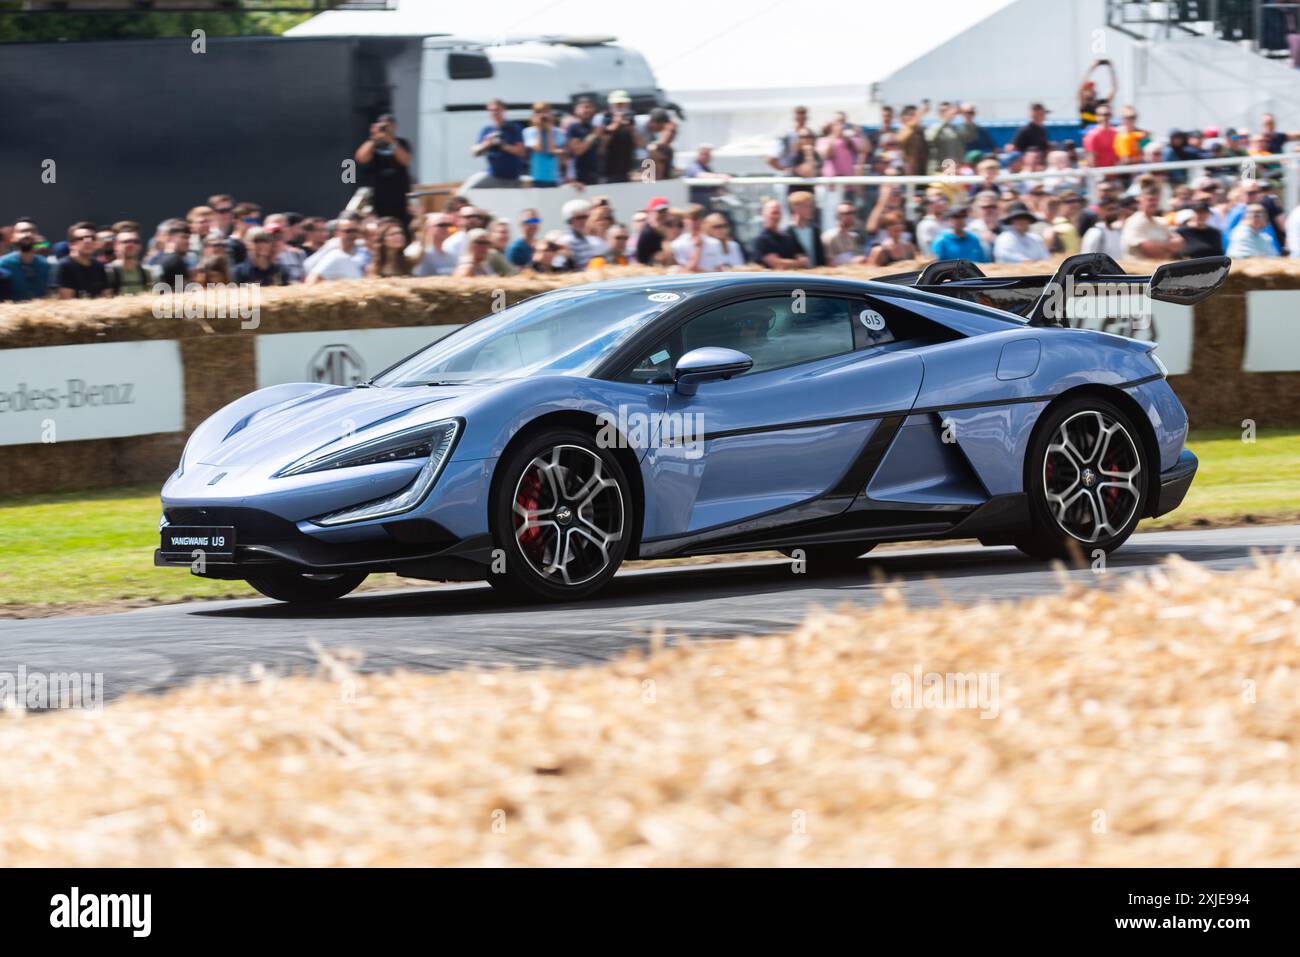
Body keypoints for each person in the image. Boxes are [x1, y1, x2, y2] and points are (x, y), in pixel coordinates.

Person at [354, 113, 413, 223]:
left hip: (399, 195)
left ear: (394, 126)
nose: (385, 129)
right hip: (379, 196)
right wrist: (374, 138)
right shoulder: (372, 144)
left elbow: (405, 160)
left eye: (388, 126)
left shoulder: (402, 143)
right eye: (382, 126)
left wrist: (390, 141)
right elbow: (361, 158)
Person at [469, 98, 526, 188]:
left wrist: (503, 146)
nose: (494, 113)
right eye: (491, 110)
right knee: (471, 190)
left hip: (511, 178)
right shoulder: (486, 130)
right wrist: (487, 144)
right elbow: (474, 152)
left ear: (503, 110)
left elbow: (521, 151)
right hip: (493, 175)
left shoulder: (513, 128)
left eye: (497, 110)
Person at [1121, 189, 1183, 259]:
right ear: (1140, 201)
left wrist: (1157, 245)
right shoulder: (1134, 221)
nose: (1154, 203)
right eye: (1150, 199)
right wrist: (1169, 247)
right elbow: (1151, 252)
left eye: (1156, 200)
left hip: (1161, 266)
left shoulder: (1161, 221)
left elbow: (1179, 243)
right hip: (1139, 268)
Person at [0, 217, 52, 300]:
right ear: (13, 237)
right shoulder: (3, 264)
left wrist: (43, 245)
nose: (28, 234)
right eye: (23, 231)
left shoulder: (45, 265)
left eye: (32, 231)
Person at [55, 222, 110, 298]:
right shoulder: (64, 266)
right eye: (82, 238)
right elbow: (66, 302)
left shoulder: (99, 266)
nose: (88, 241)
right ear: (71, 245)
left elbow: (106, 297)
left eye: (92, 238)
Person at [597, 90, 640, 183]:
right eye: (618, 104)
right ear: (611, 105)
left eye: (623, 104)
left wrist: (630, 128)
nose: (620, 106)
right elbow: (601, 148)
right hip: (607, 171)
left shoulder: (631, 120)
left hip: (626, 170)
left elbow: (639, 144)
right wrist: (615, 125)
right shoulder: (603, 119)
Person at [752, 198, 807, 268]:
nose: (776, 216)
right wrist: (797, 263)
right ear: (764, 214)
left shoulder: (789, 238)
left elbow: (804, 260)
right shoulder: (761, 240)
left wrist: (786, 263)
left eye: (778, 213)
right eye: (773, 213)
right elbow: (777, 264)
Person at [925, 101, 975, 174]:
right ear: (939, 113)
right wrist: (945, 120)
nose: (948, 112)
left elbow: (970, 137)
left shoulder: (957, 128)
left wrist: (967, 118)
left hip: (957, 169)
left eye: (949, 110)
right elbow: (930, 138)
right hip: (939, 170)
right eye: (944, 110)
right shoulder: (933, 127)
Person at [522, 102, 565, 187]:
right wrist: (539, 129)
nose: (542, 115)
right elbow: (538, 148)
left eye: (545, 112)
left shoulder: (558, 132)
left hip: (554, 177)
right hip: (535, 177)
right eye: (538, 112)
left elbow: (551, 150)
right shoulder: (528, 131)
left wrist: (549, 129)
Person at [104, 229, 155, 295]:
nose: (131, 245)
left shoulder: (148, 272)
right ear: (115, 246)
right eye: (126, 242)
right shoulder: (107, 272)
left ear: (140, 246)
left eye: (136, 242)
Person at [564, 97, 602, 185]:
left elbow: (600, 151)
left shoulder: (593, 127)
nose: (587, 110)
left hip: (595, 174)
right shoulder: (573, 127)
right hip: (578, 177)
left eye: (590, 107)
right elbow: (578, 151)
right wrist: (594, 135)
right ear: (576, 110)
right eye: (584, 107)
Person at [559, 199, 606, 268]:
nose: (583, 221)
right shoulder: (565, 241)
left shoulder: (593, 240)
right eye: (579, 218)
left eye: (586, 217)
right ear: (570, 220)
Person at [1077, 58, 1117, 125]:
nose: (1090, 91)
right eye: (1087, 90)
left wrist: (1111, 69)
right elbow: (1080, 89)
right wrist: (1092, 67)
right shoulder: (1084, 105)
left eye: (1091, 89)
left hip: (1102, 133)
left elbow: (1114, 88)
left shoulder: (1101, 103)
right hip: (1088, 134)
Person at [634, 197, 671, 265]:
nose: (663, 214)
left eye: (665, 211)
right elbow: (643, 261)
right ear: (650, 213)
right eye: (659, 211)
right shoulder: (648, 233)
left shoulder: (670, 228)